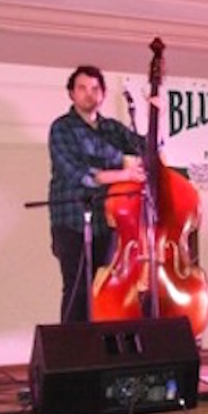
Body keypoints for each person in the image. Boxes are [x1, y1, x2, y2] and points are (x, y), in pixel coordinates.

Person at [48, 65, 145, 323]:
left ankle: (106, 343)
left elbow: (147, 148)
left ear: (103, 95)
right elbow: (77, 174)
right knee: (78, 288)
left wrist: (159, 112)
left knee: (106, 288)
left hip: (108, 221)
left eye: (95, 89)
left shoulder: (113, 128)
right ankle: (73, 346)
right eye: (82, 88)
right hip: (71, 221)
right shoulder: (62, 128)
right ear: (71, 93)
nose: (89, 94)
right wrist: (123, 174)